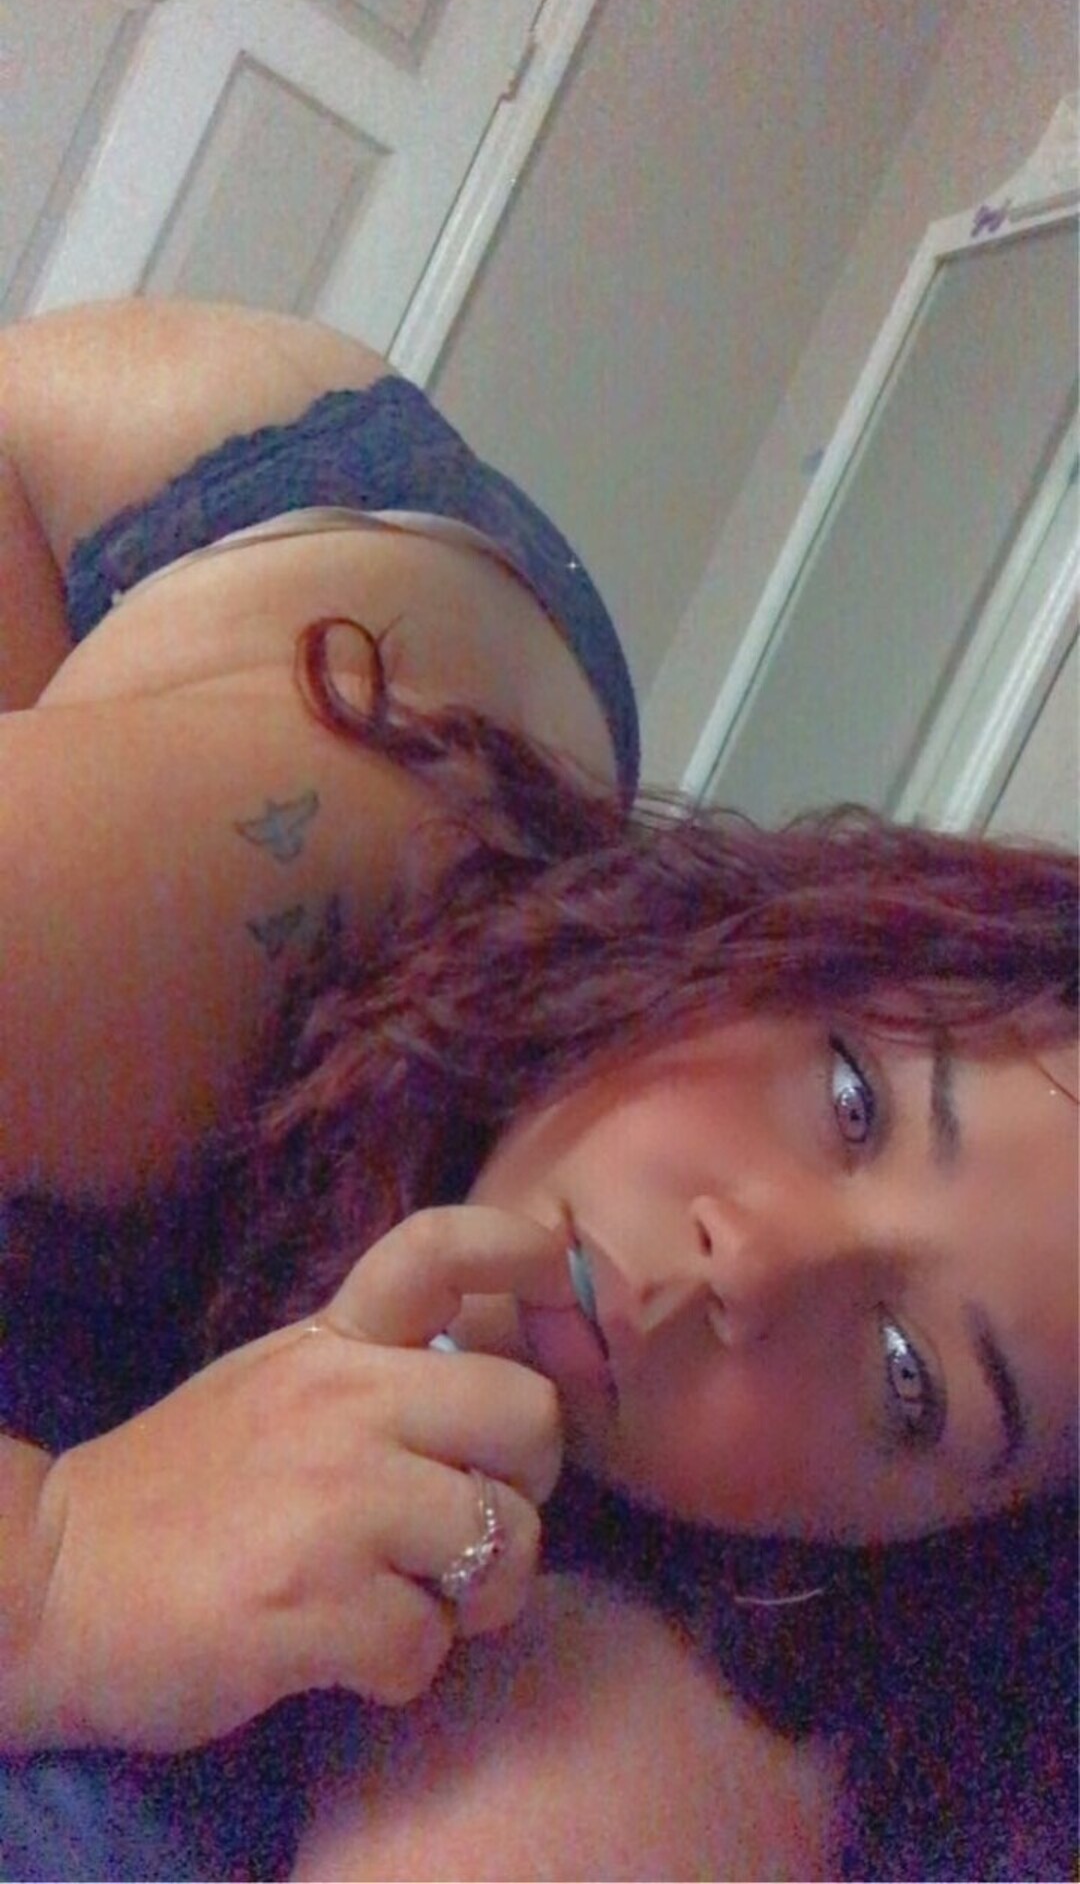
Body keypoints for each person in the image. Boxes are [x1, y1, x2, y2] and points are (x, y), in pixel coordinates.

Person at [0, 299, 1076, 1878]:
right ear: (785, 944)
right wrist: (54, 1575)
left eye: (911, 1380)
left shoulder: (771, 1648)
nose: (751, 1262)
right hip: (176, 553)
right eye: (852, 1099)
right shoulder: (269, 909)